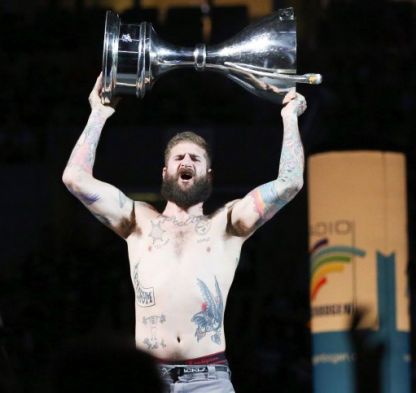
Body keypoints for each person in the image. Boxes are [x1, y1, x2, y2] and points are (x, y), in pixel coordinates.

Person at [62, 74, 307, 392]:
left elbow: (290, 183)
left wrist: (289, 117)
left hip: (209, 378)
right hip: (150, 378)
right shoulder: (138, 220)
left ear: (208, 173)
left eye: (195, 158)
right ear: (165, 173)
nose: (186, 161)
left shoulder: (227, 224)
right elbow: (74, 179)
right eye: (178, 157)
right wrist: (98, 113)